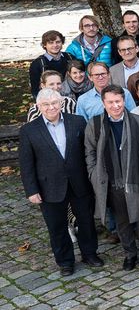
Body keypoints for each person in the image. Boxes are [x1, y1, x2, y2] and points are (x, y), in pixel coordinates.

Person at [19, 89, 101, 277]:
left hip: (79, 182)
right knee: (56, 227)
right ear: (39, 107)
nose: (51, 107)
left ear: (61, 103)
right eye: (46, 104)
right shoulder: (29, 130)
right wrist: (32, 190)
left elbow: (88, 151)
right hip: (49, 186)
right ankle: (65, 261)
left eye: (54, 103)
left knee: (86, 221)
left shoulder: (77, 122)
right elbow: (26, 164)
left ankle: (90, 254)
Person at [85, 85, 139, 270]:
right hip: (112, 181)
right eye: (110, 102)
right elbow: (89, 152)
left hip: (135, 180)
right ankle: (130, 254)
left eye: (118, 101)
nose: (115, 106)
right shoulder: (95, 124)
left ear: (124, 101)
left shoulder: (138, 121)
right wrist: (94, 174)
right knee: (122, 221)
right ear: (103, 103)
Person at [30, 30, 74, 99]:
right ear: (44, 45)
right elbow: (35, 90)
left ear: (62, 43)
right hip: (49, 100)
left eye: (58, 42)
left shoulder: (69, 57)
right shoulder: (38, 64)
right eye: (51, 43)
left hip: (70, 98)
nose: (55, 45)